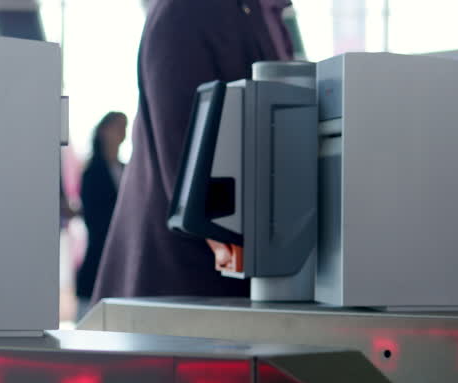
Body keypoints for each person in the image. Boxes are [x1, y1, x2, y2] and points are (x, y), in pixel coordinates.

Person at [91, 0, 297, 302]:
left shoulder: (268, 14)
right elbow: (191, 179)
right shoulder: (190, 9)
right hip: (181, 292)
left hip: (230, 291)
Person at [76, 111, 128, 311]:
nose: (122, 132)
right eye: (117, 126)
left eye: (124, 127)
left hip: (123, 254)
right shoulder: (92, 172)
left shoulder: (126, 168)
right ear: (103, 131)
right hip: (99, 251)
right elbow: (94, 218)